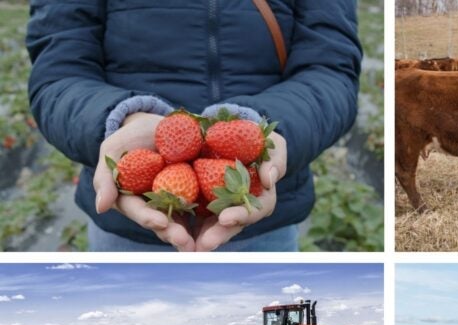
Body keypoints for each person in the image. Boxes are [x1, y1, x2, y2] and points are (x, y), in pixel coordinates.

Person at [26, 1, 362, 252]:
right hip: (126, 226)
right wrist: (121, 119)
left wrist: (262, 130)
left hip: (264, 215)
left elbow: (331, 69)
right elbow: (59, 72)